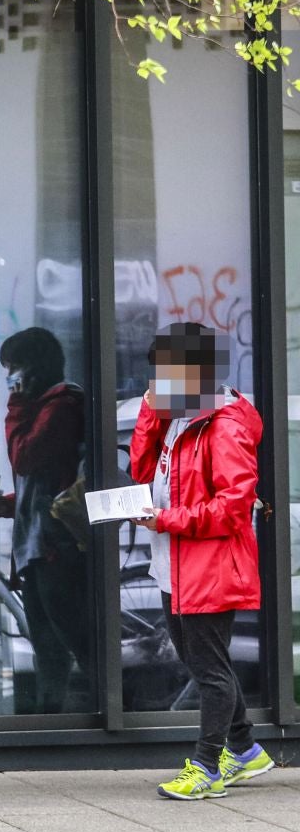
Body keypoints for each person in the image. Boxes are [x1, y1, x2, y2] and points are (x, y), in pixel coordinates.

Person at [131, 322, 272, 800]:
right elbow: (142, 470)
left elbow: (234, 507)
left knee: (208, 669)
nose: (157, 383)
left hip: (208, 566)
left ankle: (208, 765)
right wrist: (151, 413)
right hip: (175, 561)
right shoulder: (180, 416)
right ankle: (247, 749)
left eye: (165, 374)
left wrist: (168, 519)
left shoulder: (225, 425)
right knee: (201, 660)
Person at [0, 328, 91, 714]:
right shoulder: (44, 408)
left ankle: (97, 712)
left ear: (33, 368)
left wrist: (15, 405)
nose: (10, 378)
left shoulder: (59, 408)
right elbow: (43, 482)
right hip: (37, 546)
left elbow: (25, 457)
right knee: (46, 643)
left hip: (55, 548)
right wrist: (7, 504)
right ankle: (52, 716)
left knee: (71, 637)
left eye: (13, 368)